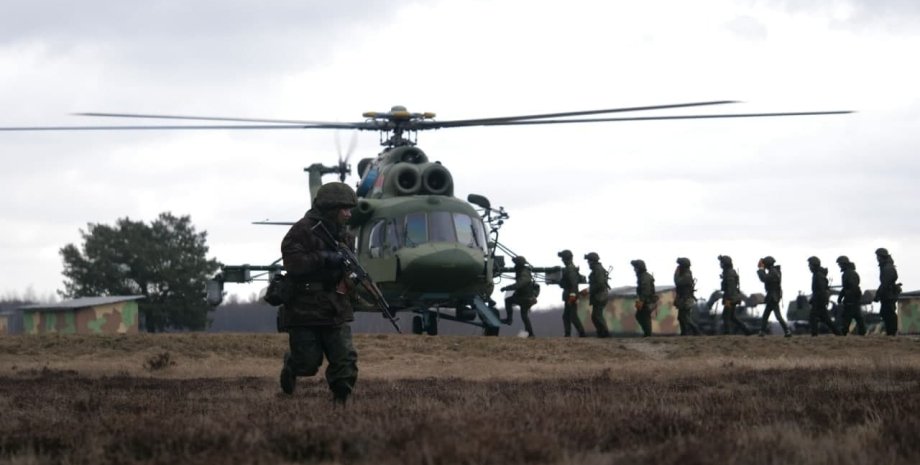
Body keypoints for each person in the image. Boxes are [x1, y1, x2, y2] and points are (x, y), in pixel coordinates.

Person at [279, 182, 359, 403]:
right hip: (304, 307)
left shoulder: (346, 236)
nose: (348, 214)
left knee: (345, 360)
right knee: (307, 363)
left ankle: (341, 401)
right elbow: (293, 263)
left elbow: (350, 268)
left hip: (335, 306)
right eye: (345, 209)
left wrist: (349, 283)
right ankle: (291, 366)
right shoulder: (301, 230)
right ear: (331, 208)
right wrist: (324, 258)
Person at [501, 255, 537, 337]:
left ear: (519, 265)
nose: (515, 266)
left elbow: (519, 284)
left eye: (516, 264)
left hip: (525, 298)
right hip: (526, 298)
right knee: (524, 316)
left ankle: (509, 319)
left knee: (508, 300)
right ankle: (530, 334)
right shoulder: (524, 271)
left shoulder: (524, 273)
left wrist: (506, 288)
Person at [757, 256, 791, 337]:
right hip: (773, 296)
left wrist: (761, 269)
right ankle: (762, 331)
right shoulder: (774, 271)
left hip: (773, 297)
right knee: (767, 315)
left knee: (777, 316)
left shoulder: (773, 272)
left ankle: (787, 331)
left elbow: (764, 279)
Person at [719, 255, 753, 335]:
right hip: (732, 298)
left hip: (730, 298)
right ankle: (746, 330)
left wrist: (728, 300)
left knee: (725, 315)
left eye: (722, 263)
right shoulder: (729, 272)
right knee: (732, 317)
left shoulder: (730, 273)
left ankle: (727, 332)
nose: (721, 265)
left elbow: (730, 288)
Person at [807, 256, 841, 336]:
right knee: (826, 319)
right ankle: (838, 333)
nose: (809, 267)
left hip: (819, 301)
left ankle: (814, 335)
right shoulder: (818, 274)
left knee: (813, 317)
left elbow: (821, 290)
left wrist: (817, 300)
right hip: (819, 300)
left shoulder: (818, 275)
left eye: (810, 265)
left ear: (814, 265)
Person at [557, 249, 586, 337]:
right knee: (566, 316)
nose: (561, 260)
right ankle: (567, 334)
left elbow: (573, 284)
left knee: (573, 316)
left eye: (562, 258)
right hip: (569, 295)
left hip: (571, 296)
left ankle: (582, 333)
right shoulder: (570, 268)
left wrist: (572, 297)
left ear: (565, 259)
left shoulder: (570, 270)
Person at [836, 255, 866, 336]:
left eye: (840, 264)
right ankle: (862, 332)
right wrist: (840, 297)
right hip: (852, 298)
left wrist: (846, 297)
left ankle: (844, 331)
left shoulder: (849, 274)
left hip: (851, 299)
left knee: (847, 316)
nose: (839, 265)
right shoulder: (849, 273)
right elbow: (845, 288)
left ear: (843, 264)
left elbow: (852, 287)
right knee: (857, 316)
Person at [874, 248, 901, 336]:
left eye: (877, 256)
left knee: (889, 314)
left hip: (889, 295)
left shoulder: (887, 268)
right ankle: (891, 332)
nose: (877, 258)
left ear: (881, 257)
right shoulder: (886, 266)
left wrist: (878, 294)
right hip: (888, 294)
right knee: (886, 313)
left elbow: (885, 283)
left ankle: (892, 332)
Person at [673, 257, 702, 336]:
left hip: (686, 299)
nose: (678, 267)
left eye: (679, 265)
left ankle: (697, 331)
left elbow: (677, 282)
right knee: (681, 317)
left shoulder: (686, 275)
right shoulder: (685, 274)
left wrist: (676, 273)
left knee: (686, 318)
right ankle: (684, 333)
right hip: (683, 298)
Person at [586, 252, 611, 338]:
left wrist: (589, 290)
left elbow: (600, 284)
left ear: (592, 261)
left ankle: (605, 333)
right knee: (595, 316)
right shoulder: (597, 269)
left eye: (588, 261)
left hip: (600, 296)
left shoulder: (597, 269)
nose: (588, 263)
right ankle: (601, 333)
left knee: (597, 316)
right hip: (599, 296)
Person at [631, 259, 656, 337]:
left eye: (635, 267)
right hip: (646, 300)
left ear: (639, 268)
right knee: (641, 316)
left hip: (647, 301)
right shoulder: (643, 276)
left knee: (644, 317)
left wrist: (641, 301)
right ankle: (647, 334)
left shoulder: (644, 277)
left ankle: (648, 335)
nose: (634, 269)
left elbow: (645, 290)